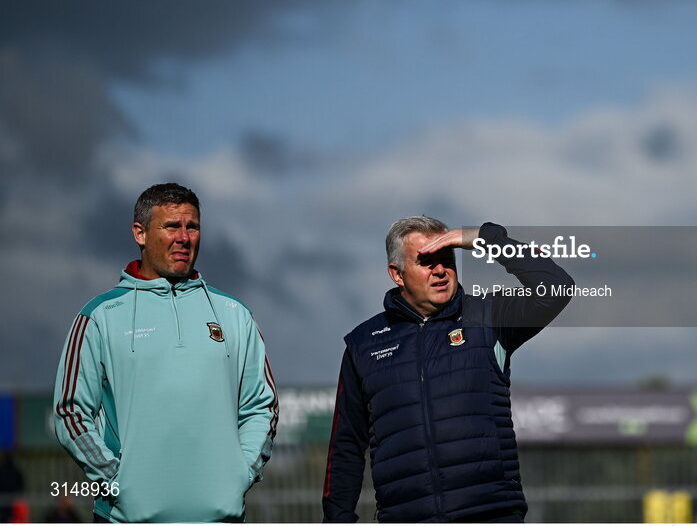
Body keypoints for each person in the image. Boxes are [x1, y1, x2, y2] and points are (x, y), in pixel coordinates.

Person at [53, 183, 279, 523]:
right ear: (140, 233)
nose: (184, 238)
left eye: (193, 227)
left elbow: (262, 406)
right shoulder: (98, 316)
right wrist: (118, 482)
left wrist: (238, 474)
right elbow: (70, 412)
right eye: (172, 226)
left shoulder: (234, 314)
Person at [323, 218, 574, 522]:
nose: (440, 270)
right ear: (396, 274)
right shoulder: (363, 344)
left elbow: (556, 286)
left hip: (491, 515)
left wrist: (483, 238)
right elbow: (346, 445)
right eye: (427, 261)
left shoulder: (489, 317)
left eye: (447, 258)